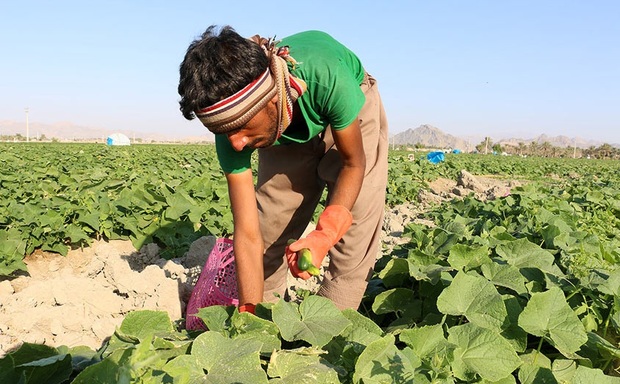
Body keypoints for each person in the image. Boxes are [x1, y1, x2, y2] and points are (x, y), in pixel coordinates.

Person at [178, 25, 388, 313]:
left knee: (355, 230)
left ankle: (329, 337)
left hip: (348, 111)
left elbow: (353, 164)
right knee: (269, 229)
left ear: (272, 100)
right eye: (224, 132)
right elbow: (249, 235)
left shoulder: (327, 78)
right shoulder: (231, 126)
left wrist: (324, 235)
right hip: (278, 128)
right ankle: (270, 323)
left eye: (240, 130)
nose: (236, 145)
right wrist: (250, 316)